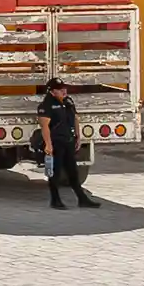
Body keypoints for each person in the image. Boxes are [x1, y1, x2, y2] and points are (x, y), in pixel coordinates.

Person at [38, 77, 99, 210]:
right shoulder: (46, 105)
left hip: (68, 141)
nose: (64, 91)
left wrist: (78, 136)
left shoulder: (68, 102)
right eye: (60, 90)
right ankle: (55, 200)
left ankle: (82, 199)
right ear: (52, 92)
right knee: (55, 172)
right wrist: (48, 145)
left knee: (73, 172)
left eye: (64, 89)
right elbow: (44, 126)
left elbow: (75, 118)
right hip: (56, 143)